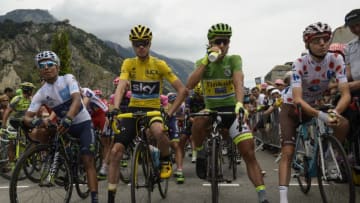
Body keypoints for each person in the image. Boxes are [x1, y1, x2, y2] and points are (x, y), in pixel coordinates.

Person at [186, 23, 268, 203]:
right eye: (218, 42)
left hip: (231, 110)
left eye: (226, 42)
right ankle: (200, 153)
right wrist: (207, 60)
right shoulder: (202, 63)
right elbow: (190, 85)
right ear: (210, 43)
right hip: (211, 110)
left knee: (249, 152)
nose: (222, 46)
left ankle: (262, 196)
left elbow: (239, 81)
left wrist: (239, 103)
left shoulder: (234, 60)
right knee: (197, 122)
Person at [107, 25, 187, 203]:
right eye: (137, 43)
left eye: (144, 43)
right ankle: (110, 197)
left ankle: (166, 160)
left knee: (159, 131)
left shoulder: (159, 64)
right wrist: (115, 107)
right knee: (115, 151)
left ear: (150, 43)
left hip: (153, 110)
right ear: (133, 45)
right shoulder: (128, 63)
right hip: (133, 110)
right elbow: (121, 85)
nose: (140, 47)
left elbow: (182, 90)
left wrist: (170, 112)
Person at [278, 22, 350, 203]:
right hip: (292, 106)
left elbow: (346, 94)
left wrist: (335, 112)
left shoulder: (336, 59)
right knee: (287, 151)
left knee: (343, 123)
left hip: (313, 104)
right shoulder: (299, 64)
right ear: (307, 44)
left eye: (325, 39)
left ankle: (329, 158)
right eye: (317, 40)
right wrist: (321, 115)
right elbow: (297, 100)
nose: (322, 44)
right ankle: (283, 198)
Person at [23, 51, 99, 203]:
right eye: (42, 65)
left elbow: (77, 100)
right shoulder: (41, 93)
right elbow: (27, 116)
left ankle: (94, 198)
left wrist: (68, 118)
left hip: (83, 124)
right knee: (43, 131)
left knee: (87, 161)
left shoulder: (68, 78)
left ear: (57, 67)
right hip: (65, 126)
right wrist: (35, 122)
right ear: (39, 70)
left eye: (50, 64)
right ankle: (57, 162)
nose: (46, 68)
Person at [344, 9, 360, 96]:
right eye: (352, 27)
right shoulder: (349, 46)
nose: (356, 29)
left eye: (358, 25)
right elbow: (348, 72)